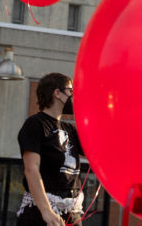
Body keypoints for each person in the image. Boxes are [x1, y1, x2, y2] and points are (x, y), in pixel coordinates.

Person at [16, 73, 88, 226]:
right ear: (57, 93)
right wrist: (46, 211)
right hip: (43, 211)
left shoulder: (70, 129)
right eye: (71, 91)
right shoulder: (35, 124)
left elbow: (96, 153)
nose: (73, 97)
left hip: (72, 212)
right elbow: (31, 169)